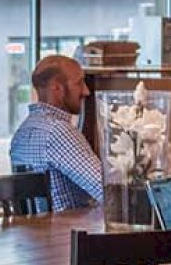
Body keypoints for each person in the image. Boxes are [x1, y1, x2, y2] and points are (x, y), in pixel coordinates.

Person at [8, 54, 104, 210]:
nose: (86, 91)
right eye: (79, 83)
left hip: (36, 232)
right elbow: (107, 191)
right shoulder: (58, 131)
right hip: (70, 231)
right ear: (57, 87)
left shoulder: (21, 134)